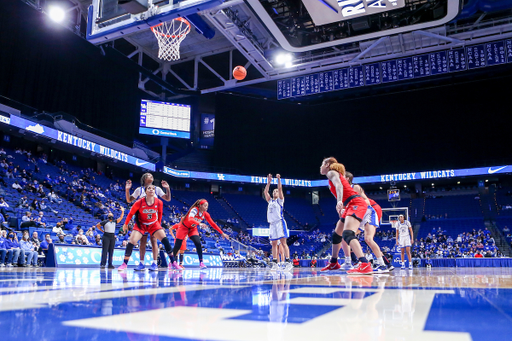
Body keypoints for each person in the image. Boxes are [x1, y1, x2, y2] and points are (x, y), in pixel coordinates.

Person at [319, 157, 372, 275]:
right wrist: (342, 206)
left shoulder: (331, 172)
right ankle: (333, 263)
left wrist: (339, 202)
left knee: (348, 233)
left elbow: (339, 186)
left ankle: (364, 264)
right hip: (349, 204)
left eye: (322, 164)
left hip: (356, 203)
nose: (320, 167)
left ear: (327, 164)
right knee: (336, 234)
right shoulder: (332, 175)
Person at [117, 185, 177, 271]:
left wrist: (159, 225)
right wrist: (125, 224)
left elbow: (160, 214)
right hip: (141, 224)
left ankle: (173, 263)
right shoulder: (139, 202)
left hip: (153, 224)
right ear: (145, 192)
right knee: (132, 241)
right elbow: (130, 214)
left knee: (165, 239)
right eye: (149, 188)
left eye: (153, 188)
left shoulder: (159, 202)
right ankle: (124, 264)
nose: (151, 189)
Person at [345, 172, 391, 273]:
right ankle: (352, 262)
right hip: (359, 213)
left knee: (368, 239)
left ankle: (382, 265)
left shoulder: (355, 187)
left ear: (347, 178)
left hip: (368, 212)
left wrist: (355, 204)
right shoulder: (344, 191)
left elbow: (367, 201)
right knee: (347, 236)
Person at [125, 173, 171, 271]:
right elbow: (129, 200)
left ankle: (154, 263)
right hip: (142, 219)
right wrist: (127, 189)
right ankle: (141, 263)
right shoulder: (139, 190)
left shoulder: (157, 189)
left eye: (152, 175)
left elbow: (167, 198)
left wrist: (167, 188)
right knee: (142, 242)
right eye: (148, 175)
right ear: (144, 178)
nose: (151, 176)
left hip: (153, 220)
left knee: (154, 240)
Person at [171, 199, 229, 270]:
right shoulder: (194, 210)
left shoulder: (205, 214)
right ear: (200, 205)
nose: (206, 207)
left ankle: (201, 263)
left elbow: (213, 224)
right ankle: (172, 262)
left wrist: (222, 233)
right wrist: (199, 223)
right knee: (178, 245)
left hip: (193, 228)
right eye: (205, 205)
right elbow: (190, 219)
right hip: (183, 227)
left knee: (198, 243)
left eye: (207, 206)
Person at [264, 173, 292, 271]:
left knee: (284, 243)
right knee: (274, 244)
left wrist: (279, 179)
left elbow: (280, 189)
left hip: (279, 222)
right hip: (272, 224)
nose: (275, 192)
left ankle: (288, 262)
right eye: (274, 191)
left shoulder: (280, 201)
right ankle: (275, 263)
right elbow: (265, 192)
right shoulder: (270, 201)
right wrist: (269, 183)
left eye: (276, 191)